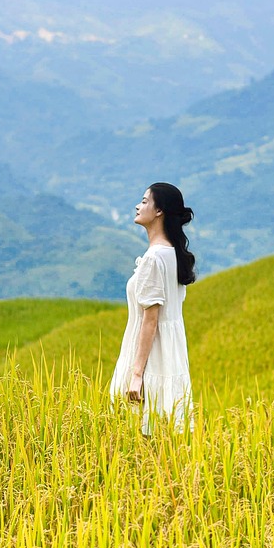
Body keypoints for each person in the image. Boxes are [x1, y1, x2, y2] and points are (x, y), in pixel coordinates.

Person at [109, 182, 196, 434]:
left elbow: (151, 320)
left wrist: (137, 374)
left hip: (151, 356)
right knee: (163, 435)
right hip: (170, 354)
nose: (138, 205)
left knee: (139, 434)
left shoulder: (153, 258)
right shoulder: (172, 254)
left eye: (145, 201)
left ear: (159, 212)